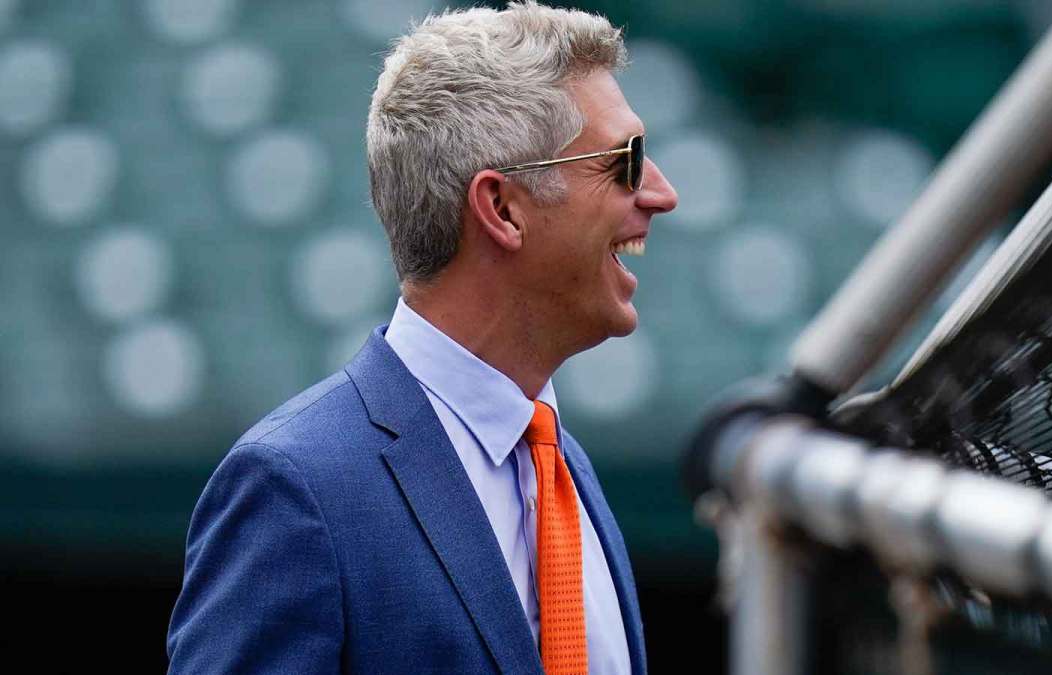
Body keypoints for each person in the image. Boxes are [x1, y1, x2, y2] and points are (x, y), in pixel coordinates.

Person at [166, 1, 678, 673]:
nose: (662, 193)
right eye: (625, 160)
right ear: (501, 209)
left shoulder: (565, 470)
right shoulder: (297, 488)